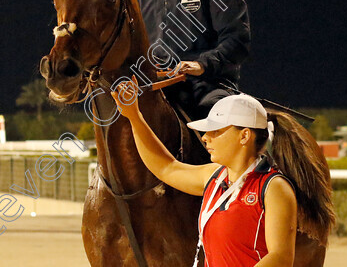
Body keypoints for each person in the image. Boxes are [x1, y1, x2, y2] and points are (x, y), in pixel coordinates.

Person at [111, 80, 297, 267]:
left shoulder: (274, 188)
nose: (205, 137)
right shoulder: (215, 177)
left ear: (244, 136)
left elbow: (280, 257)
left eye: (216, 131)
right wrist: (134, 116)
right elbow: (166, 167)